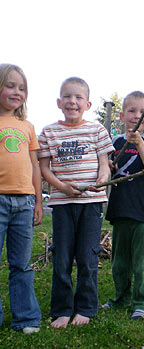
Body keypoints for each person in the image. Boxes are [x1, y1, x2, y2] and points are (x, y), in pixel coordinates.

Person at [38, 77, 114, 328]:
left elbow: (104, 166)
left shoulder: (97, 131)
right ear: (59, 102)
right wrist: (62, 188)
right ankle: (62, 308)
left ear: (88, 103)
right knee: (61, 257)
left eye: (78, 97)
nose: (72, 101)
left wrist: (102, 180)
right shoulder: (49, 132)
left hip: (91, 202)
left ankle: (85, 307)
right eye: (67, 97)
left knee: (87, 256)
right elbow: (45, 169)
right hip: (62, 203)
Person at [103, 91, 144, 320]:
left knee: (143, 261)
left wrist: (139, 144)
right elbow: (108, 170)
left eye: (142, 112)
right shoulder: (115, 142)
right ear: (121, 115)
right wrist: (108, 165)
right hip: (120, 209)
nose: (137, 116)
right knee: (120, 261)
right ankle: (121, 297)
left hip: (143, 211)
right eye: (132, 111)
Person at [0, 63, 42, 334]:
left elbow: (34, 165)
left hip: (24, 202)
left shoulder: (26, 126)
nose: (17, 92)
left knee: (22, 265)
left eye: (22, 88)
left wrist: (38, 201)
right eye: (10, 85)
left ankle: (26, 318)